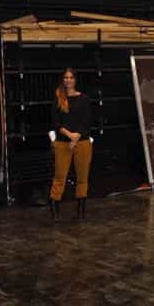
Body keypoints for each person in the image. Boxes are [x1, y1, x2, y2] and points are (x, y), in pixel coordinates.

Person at [50, 68, 93, 221]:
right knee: (59, 177)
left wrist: (77, 136)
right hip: (63, 143)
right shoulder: (58, 98)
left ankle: (81, 211)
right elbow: (56, 122)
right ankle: (55, 210)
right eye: (65, 77)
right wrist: (69, 136)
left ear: (75, 80)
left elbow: (87, 121)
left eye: (71, 77)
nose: (68, 80)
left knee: (82, 178)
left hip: (82, 142)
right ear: (63, 80)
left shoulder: (84, 99)